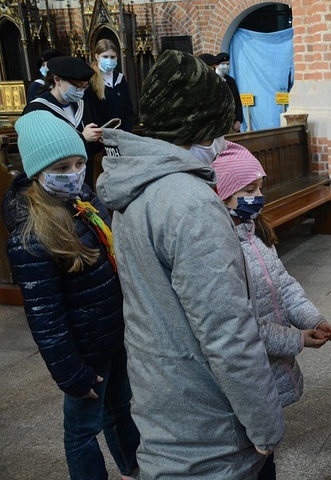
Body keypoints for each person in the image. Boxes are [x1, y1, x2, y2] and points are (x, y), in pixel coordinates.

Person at [95, 50, 284, 477]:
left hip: (164, 402)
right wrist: (266, 424)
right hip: (207, 425)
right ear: (203, 125)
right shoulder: (190, 203)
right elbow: (227, 332)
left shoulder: (136, 185)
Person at [4, 111, 139, 480]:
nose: (75, 172)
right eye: (63, 166)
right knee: (82, 432)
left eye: (80, 162)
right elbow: (46, 318)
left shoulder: (84, 204)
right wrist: (71, 375)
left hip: (112, 336)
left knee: (120, 409)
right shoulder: (31, 235)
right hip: (82, 354)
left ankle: (132, 469)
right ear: (37, 173)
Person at [212, 142, 331, 480]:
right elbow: (243, 325)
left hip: (269, 360)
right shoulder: (222, 248)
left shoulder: (256, 233)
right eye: (249, 189)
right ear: (222, 196)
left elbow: (284, 284)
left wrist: (312, 318)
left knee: (265, 455)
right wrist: (297, 339)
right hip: (246, 368)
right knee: (247, 454)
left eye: (260, 188)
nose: (259, 196)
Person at [23, 56, 103, 189]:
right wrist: (82, 138)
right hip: (56, 182)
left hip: (83, 178)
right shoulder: (37, 109)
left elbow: (89, 147)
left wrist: (97, 139)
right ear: (57, 80)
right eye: (77, 86)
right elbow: (44, 151)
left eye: (84, 87)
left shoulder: (80, 105)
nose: (81, 91)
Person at [85, 39, 135, 132]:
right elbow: (91, 111)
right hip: (100, 133)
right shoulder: (90, 80)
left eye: (112, 57)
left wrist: (127, 130)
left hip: (122, 133)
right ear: (97, 56)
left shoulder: (120, 79)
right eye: (105, 56)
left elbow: (128, 108)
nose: (109, 60)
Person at [215, 52, 244, 133]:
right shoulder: (212, 79)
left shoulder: (230, 81)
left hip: (232, 122)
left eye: (227, 64)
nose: (225, 66)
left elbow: (237, 101)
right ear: (216, 65)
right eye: (223, 64)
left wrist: (238, 120)